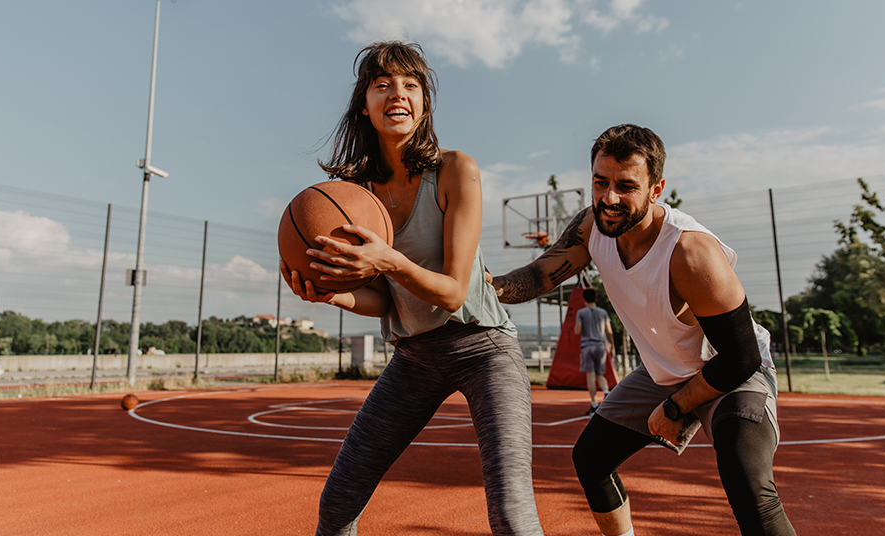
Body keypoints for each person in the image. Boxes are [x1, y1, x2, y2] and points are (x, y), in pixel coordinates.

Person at [282, 41, 543, 536]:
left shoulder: (455, 170)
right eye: (382, 85)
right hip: (414, 355)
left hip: (483, 347)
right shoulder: (355, 195)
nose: (397, 94)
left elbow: (450, 292)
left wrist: (387, 258)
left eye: (410, 85)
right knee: (338, 504)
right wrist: (329, 293)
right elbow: (387, 299)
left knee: (511, 512)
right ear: (364, 103)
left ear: (424, 103)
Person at [490, 124, 795, 535]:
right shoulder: (590, 226)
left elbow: (741, 358)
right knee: (592, 459)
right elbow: (539, 275)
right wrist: (485, 288)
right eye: (600, 182)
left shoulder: (690, 253)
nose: (609, 198)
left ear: (656, 189)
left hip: (730, 370)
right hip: (665, 370)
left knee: (747, 480)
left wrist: (675, 407)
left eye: (626, 186)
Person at [574, 287, 614, 415]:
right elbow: (609, 331)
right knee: (600, 374)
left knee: (590, 376)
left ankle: (594, 405)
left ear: (584, 299)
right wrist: (612, 346)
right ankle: (606, 393)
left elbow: (577, 331)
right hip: (601, 346)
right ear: (596, 298)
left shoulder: (581, 312)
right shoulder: (603, 313)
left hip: (587, 346)